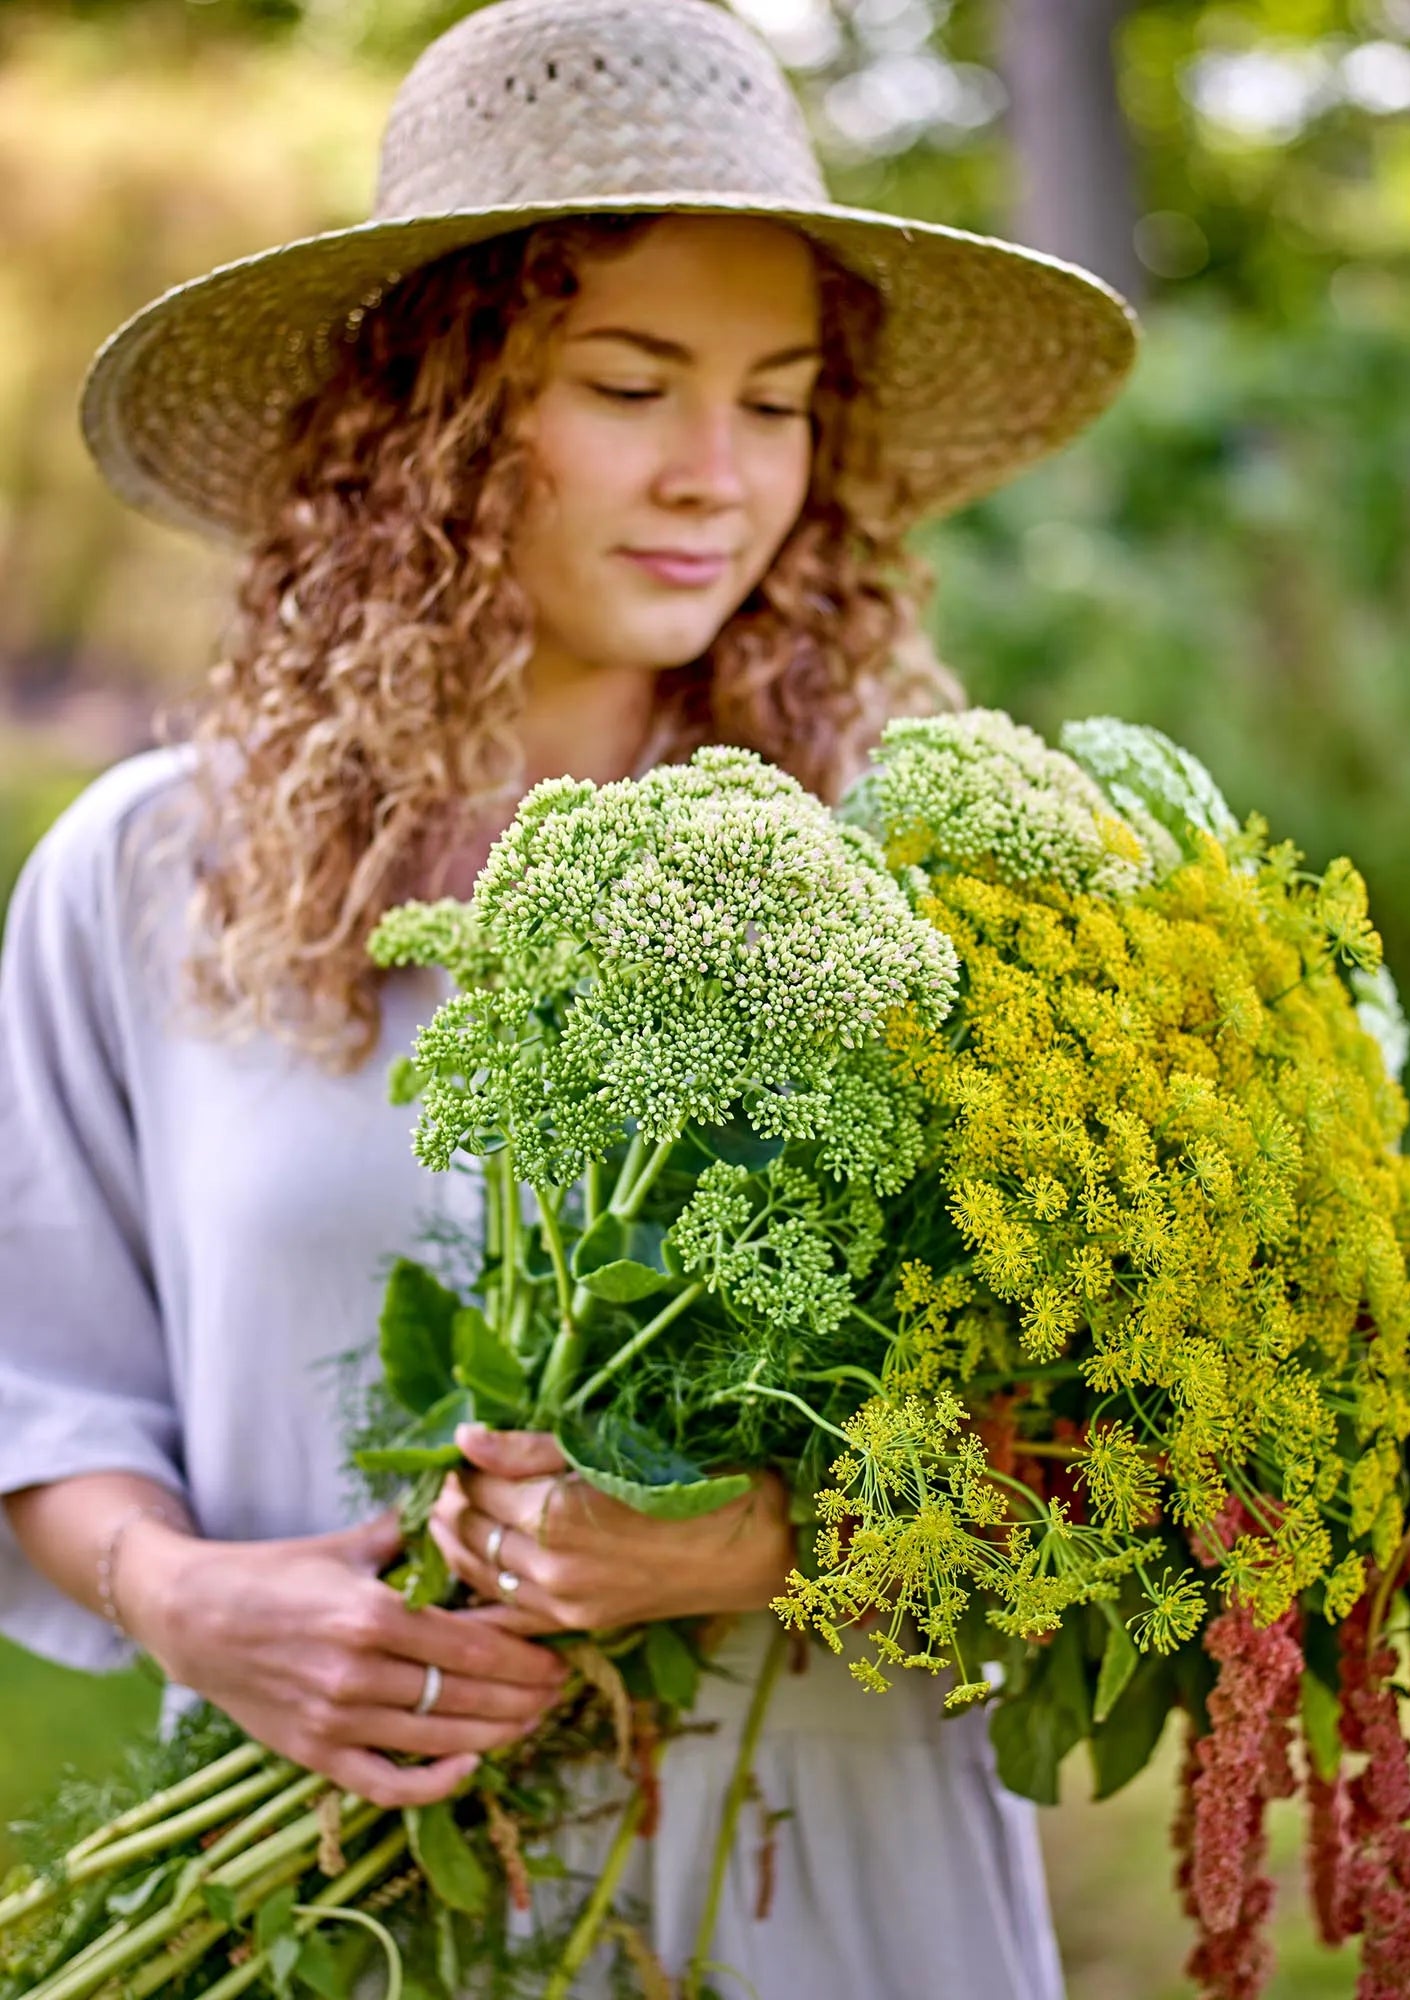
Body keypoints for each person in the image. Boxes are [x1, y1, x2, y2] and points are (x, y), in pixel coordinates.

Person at [0, 0, 1136, 1991]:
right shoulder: (150, 872)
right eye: (630, 383)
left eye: (778, 403)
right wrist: (186, 1599)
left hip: (832, 1894)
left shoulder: (928, 870)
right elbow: (40, 1380)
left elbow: (1126, 1415)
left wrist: (763, 1539)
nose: (718, 475)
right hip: (336, 1909)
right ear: (428, 414)